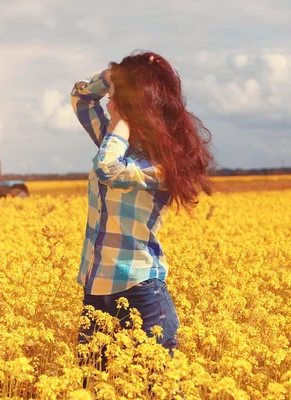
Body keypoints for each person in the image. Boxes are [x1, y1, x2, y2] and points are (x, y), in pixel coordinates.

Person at [72, 50, 215, 373]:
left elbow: (108, 168)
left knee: (157, 391)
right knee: (91, 388)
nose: (108, 104)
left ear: (133, 107)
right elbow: (81, 98)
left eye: (115, 99)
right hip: (96, 292)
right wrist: (110, 79)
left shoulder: (161, 166)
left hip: (141, 295)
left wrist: (121, 120)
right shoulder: (118, 143)